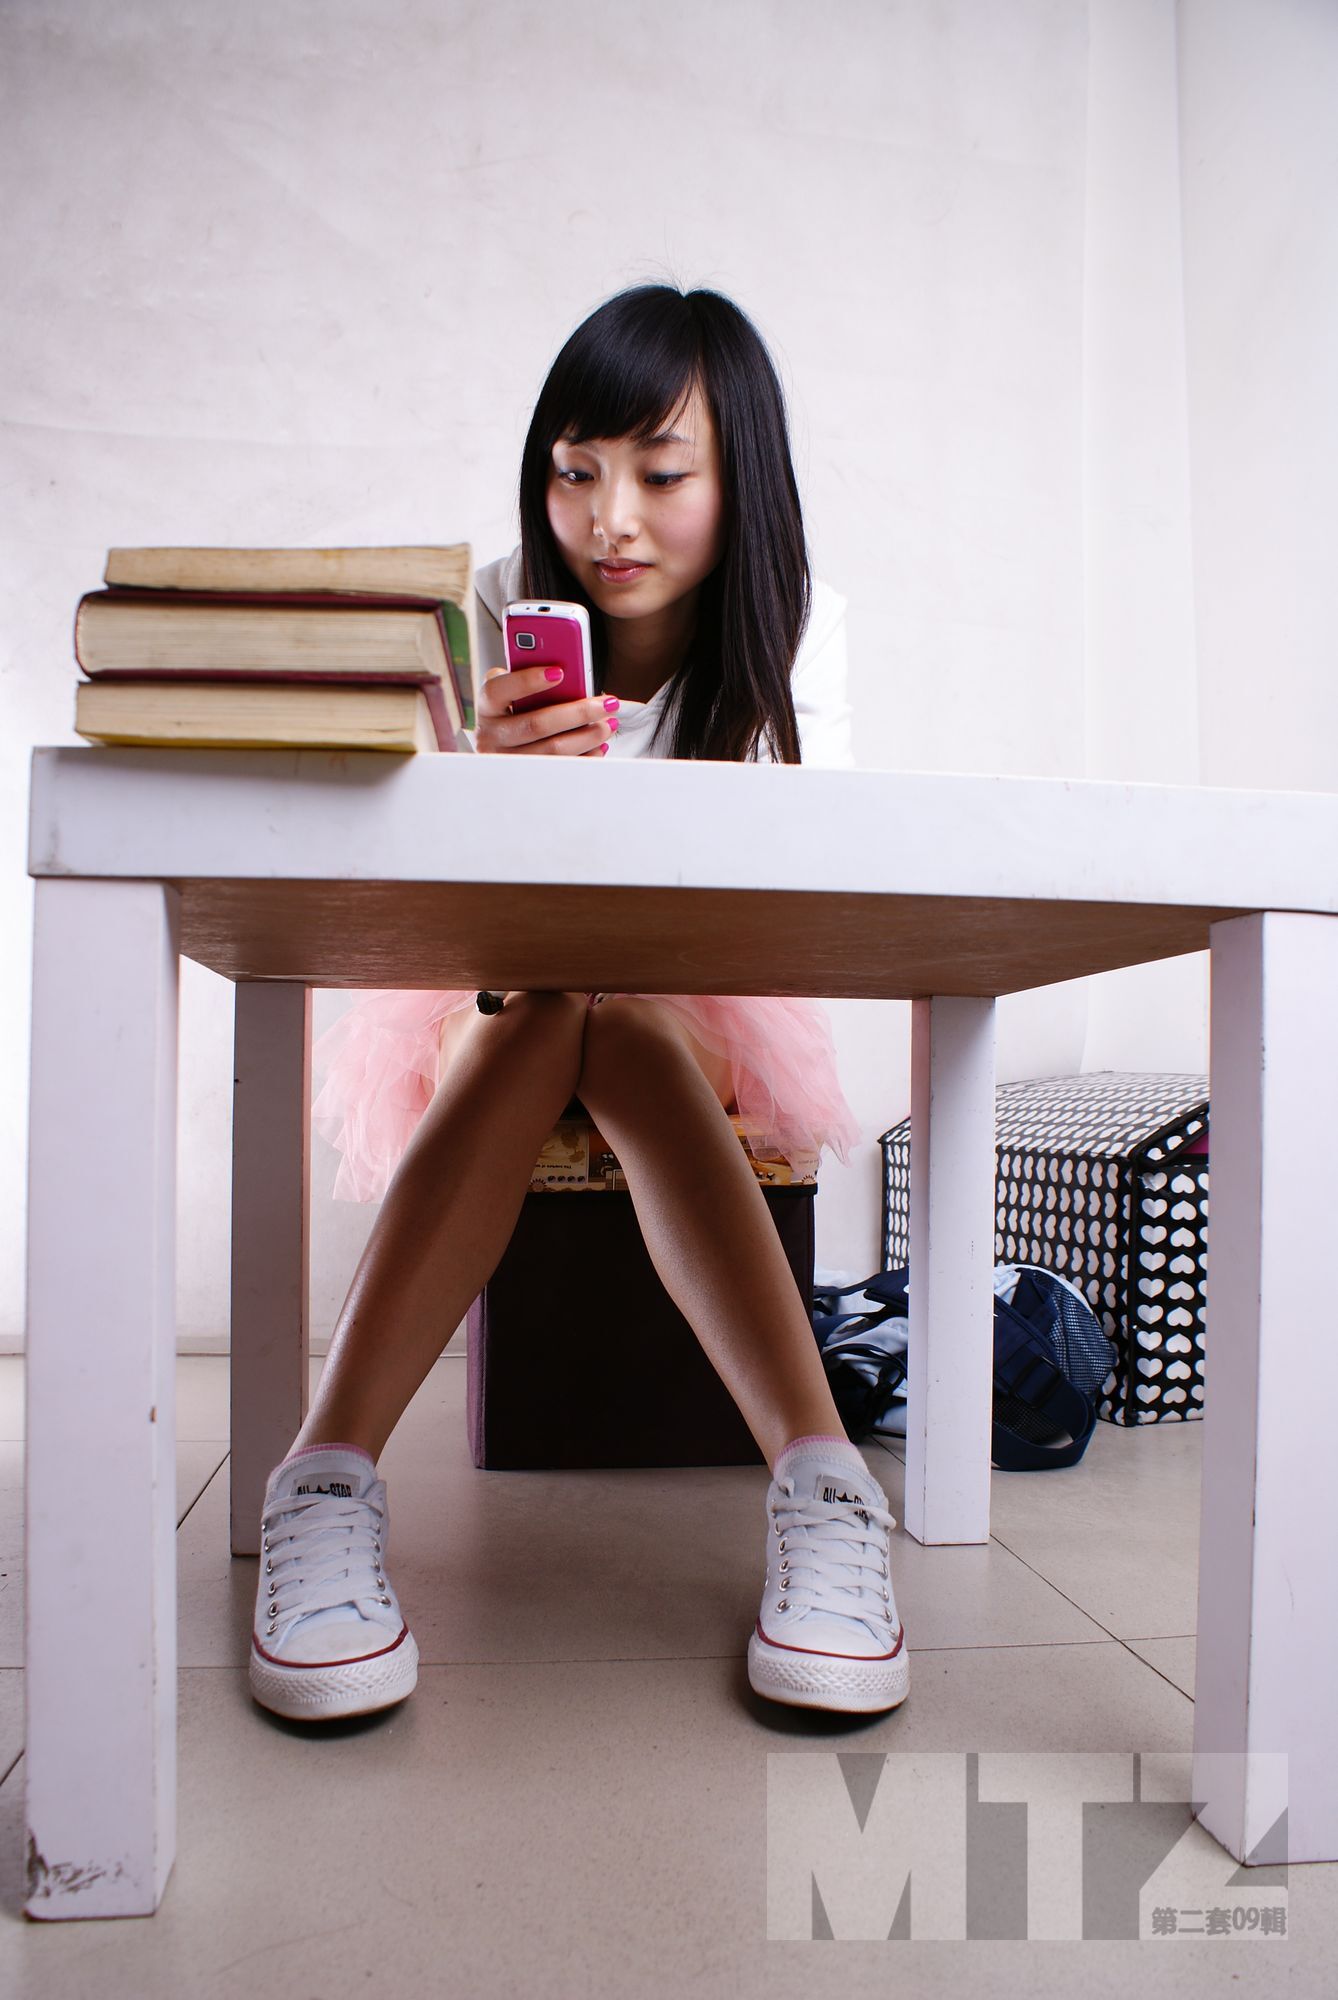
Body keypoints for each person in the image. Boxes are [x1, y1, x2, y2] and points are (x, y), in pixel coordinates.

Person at [249, 284, 909, 1726]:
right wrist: (483, 793)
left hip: (702, 987)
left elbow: (798, 888)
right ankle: (327, 1485)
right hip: (498, 980)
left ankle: (819, 1491)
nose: (608, 517)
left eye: (660, 474)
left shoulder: (798, 629)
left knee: (622, 1012)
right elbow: (430, 899)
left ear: (742, 478)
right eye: (574, 468)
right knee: (555, 997)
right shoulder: (493, 600)